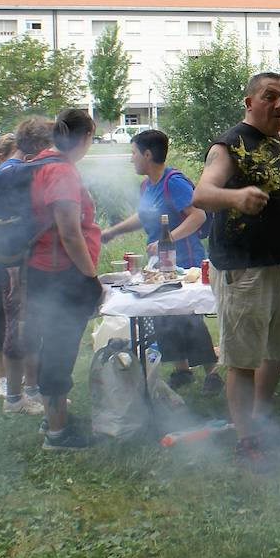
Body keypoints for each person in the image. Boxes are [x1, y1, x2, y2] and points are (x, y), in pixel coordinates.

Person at [194, 73, 280, 467]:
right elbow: (201, 194)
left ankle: (259, 419)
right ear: (249, 102)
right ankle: (245, 440)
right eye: (270, 97)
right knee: (242, 358)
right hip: (243, 266)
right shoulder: (230, 144)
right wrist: (236, 196)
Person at [100, 129, 221, 394]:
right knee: (164, 316)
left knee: (187, 318)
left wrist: (169, 239)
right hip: (160, 265)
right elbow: (143, 216)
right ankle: (182, 369)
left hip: (184, 262)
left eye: (133, 153)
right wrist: (112, 232)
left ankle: (212, 372)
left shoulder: (173, 182)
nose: (131, 159)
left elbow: (198, 216)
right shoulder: (147, 185)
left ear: (147, 154)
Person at [25, 108, 104, 450]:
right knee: (59, 349)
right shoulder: (61, 172)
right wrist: (91, 278)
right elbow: (70, 233)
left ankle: (51, 419)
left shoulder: (43, 161)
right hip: (60, 275)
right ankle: (58, 434)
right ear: (84, 138)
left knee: (51, 346)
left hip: (43, 271)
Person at [0, 117, 50, 413]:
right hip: (10, 264)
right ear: (37, 146)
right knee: (16, 328)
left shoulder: (14, 171)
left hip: (17, 261)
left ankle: (31, 391)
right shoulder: (13, 173)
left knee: (29, 325)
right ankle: (14, 398)